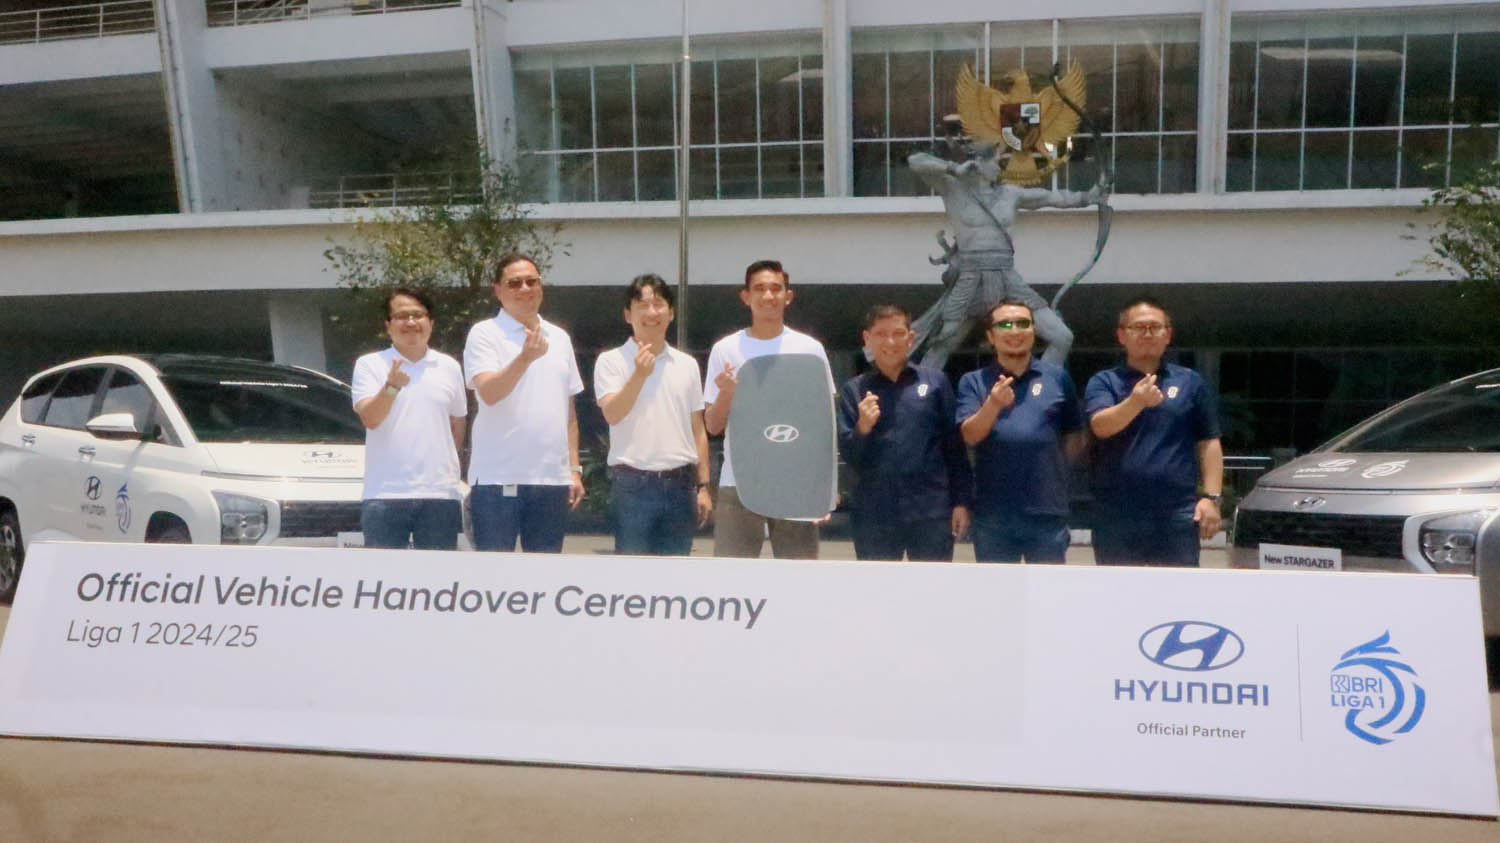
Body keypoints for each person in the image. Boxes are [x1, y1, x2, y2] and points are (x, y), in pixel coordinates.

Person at [906, 144, 1109, 369]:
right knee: (943, 344)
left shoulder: (1010, 194)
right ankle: (924, 389)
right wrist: (955, 168)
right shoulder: (953, 187)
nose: (1000, 168)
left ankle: (1046, 383)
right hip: (970, 278)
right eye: (996, 162)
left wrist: (1089, 196)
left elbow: (1051, 197)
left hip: (1006, 276)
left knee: (1062, 337)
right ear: (978, 164)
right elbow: (916, 161)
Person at [704, 259, 833, 559]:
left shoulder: (810, 349)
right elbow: (713, 425)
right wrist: (727, 394)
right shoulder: (725, 349)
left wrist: (824, 487)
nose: (768, 296)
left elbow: (822, 423)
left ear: (788, 296)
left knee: (798, 577)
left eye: (776, 288)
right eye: (759, 288)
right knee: (732, 579)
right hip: (739, 483)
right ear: (746, 296)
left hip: (796, 483)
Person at [1085, 297, 1224, 567]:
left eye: (1155, 327)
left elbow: (1209, 443)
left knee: (1177, 591)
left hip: (1176, 514)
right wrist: (1136, 402)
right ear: (1122, 336)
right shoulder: (1104, 382)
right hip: (1116, 514)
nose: (1147, 334)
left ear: (1168, 335)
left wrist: (1211, 498)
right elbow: (1100, 426)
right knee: (1118, 590)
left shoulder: (1190, 382)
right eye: (1139, 327)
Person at [463, 252, 585, 552]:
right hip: (497, 479)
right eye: (514, 283)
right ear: (498, 290)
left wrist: (573, 469)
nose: (525, 289)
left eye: (532, 281)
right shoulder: (484, 333)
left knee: (544, 574)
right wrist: (524, 358)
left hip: (551, 480)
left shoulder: (559, 338)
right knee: (494, 574)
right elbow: (489, 393)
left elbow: (568, 412)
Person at [837, 304, 972, 561]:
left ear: (911, 338)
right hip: (874, 514)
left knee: (932, 584)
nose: (890, 342)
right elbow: (849, 456)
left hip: (931, 512)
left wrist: (961, 502)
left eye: (898, 333)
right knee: (878, 586)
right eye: (881, 334)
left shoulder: (935, 383)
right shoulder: (854, 391)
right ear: (867, 339)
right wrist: (862, 427)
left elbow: (954, 449)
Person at [957, 300, 1084, 563]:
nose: (1014, 331)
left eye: (1023, 323)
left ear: (1033, 331)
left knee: (1048, 587)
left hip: (1046, 512)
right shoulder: (973, 382)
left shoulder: (1057, 378)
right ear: (991, 336)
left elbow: (1074, 436)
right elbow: (969, 435)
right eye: (1005, 325)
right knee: (997, 588)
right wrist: (992, 404)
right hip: (993, 513)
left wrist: (1054, 472)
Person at [594, 274, 713, 556]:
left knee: (676, 573)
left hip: (680, 485)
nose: (651, 313)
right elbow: (612, 414)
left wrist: (703, 486)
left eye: (659, 304)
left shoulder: (687, 364)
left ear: (671, 313)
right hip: (632, 485)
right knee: (632, 574)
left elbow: (697, 429)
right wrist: (639, 374)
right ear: (628, 315)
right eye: (643, 305)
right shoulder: (610, 361)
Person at [351, 288, 468, 549]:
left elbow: (457, 423)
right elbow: (371, 418)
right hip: (386, 494)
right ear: (388, 325)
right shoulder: (370, 364)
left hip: (440, 494)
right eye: (402, 316)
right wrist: (391, 386)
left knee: (438, 573)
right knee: (384, 573)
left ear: (431, 322)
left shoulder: (449, 366)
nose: (411, 322)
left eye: (418, 315)